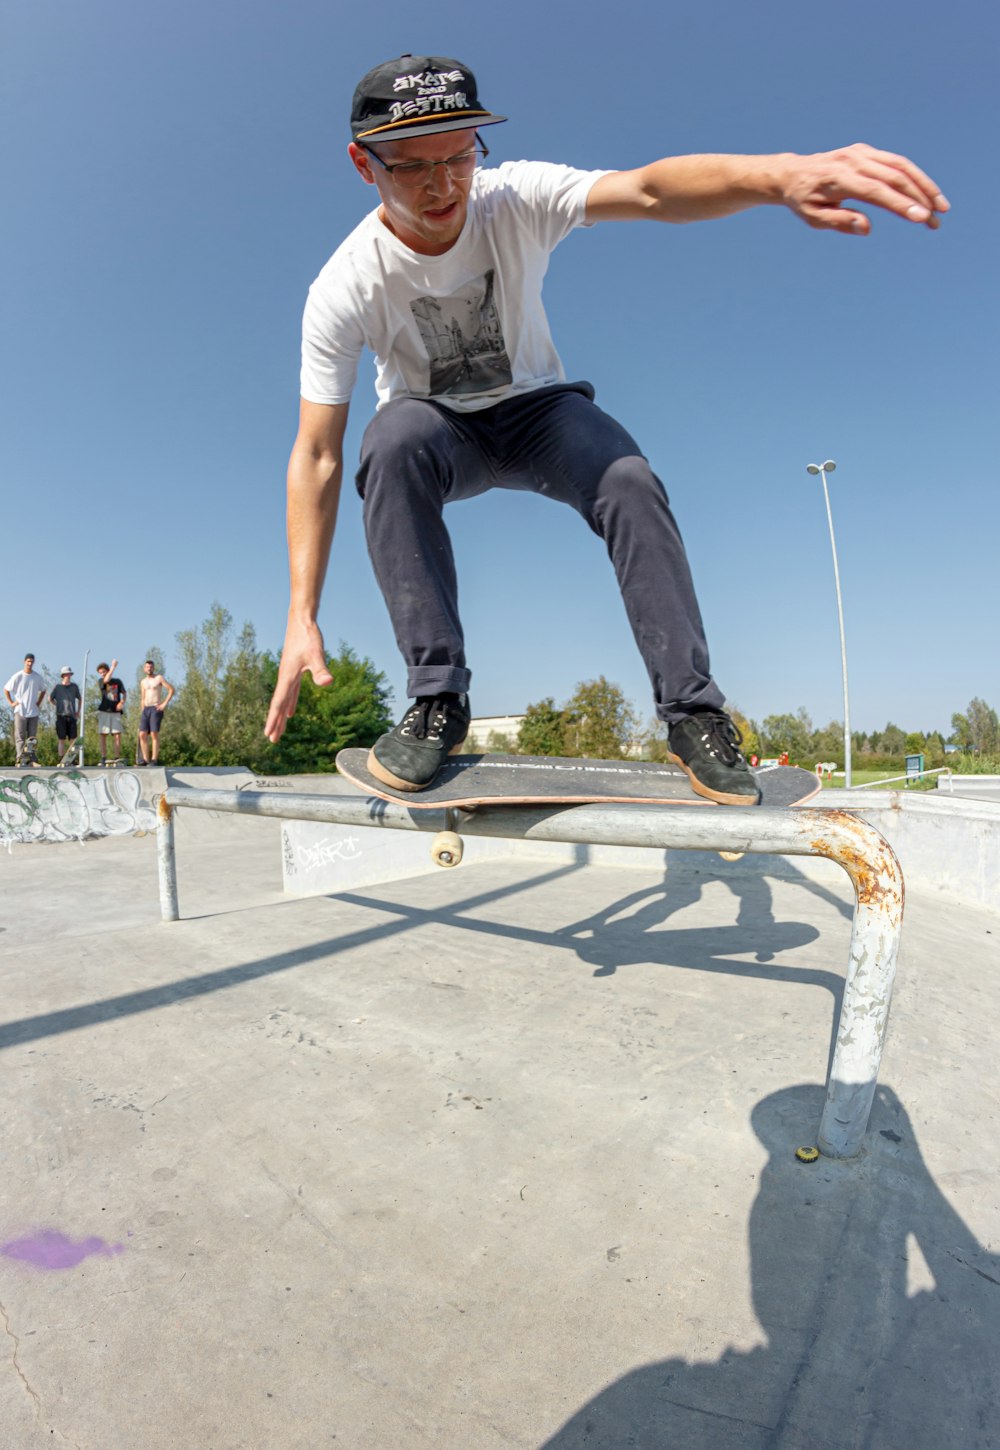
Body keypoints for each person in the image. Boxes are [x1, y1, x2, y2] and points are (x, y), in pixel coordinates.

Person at [264, 54, 948, 804]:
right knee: (387, 441)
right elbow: (318, 455)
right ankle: (437, 700)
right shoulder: (344, 283)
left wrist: (777, 174)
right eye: (414, 169)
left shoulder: (512, 196)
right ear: (365, 166)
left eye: (459, 157)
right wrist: (302, 615)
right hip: (437, 433)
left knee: (627, 477)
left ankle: (693, 715)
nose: (443, 187)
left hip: (538, 413)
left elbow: (650, 191)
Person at [4, 653, 47, 766]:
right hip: (20, 710)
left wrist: (38, 702)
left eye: (31, 662)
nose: (30, 663)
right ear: (24, 662)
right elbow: (6, 689)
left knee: (32, 738)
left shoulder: (37, 677)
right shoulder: (18, 676)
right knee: (20, 737)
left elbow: (43, 690)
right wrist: (12, 703)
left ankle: (32, 760)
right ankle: (20, 759)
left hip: (33, 711)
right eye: (28, 661)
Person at [137, 659, 175, 765]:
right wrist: (142, 711)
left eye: (151, 667)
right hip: (146, 709)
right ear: (144, 669)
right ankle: (145, 759)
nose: (149, 669)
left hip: (155, 708)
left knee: (154, 733)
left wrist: (164, 704)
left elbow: (171, 690)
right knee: (142, 734)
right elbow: (142, 698)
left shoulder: (158, 678)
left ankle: (154, 759)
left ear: (153, 668)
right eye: (147, 667)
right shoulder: (143, 682)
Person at [95, 659, 127, 765]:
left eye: (103, 672)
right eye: (100, 673)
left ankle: (117, 756)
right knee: (103, 734)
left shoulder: (117, 681)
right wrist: (113, 666)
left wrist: (122, 702)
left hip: (116, 711)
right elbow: (106, 680)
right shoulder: (101, 681)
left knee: (117, 734)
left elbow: (124, 693)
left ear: (107, 671)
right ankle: (103, 757)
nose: (102, 674)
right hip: (104, 710)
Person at [50, 665, 82, 762]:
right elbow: (50, 698)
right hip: (61, 715)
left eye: (69, 674)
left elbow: (80, 698)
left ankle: (71, 758)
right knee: (61, 739)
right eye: (66, 674)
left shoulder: (74, 687)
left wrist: (78, 711)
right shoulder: (58, 687)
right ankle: (61, 758)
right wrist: (57, 704)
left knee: (73, 739)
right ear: (63, 675)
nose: (68, 676)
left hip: (72, 715)